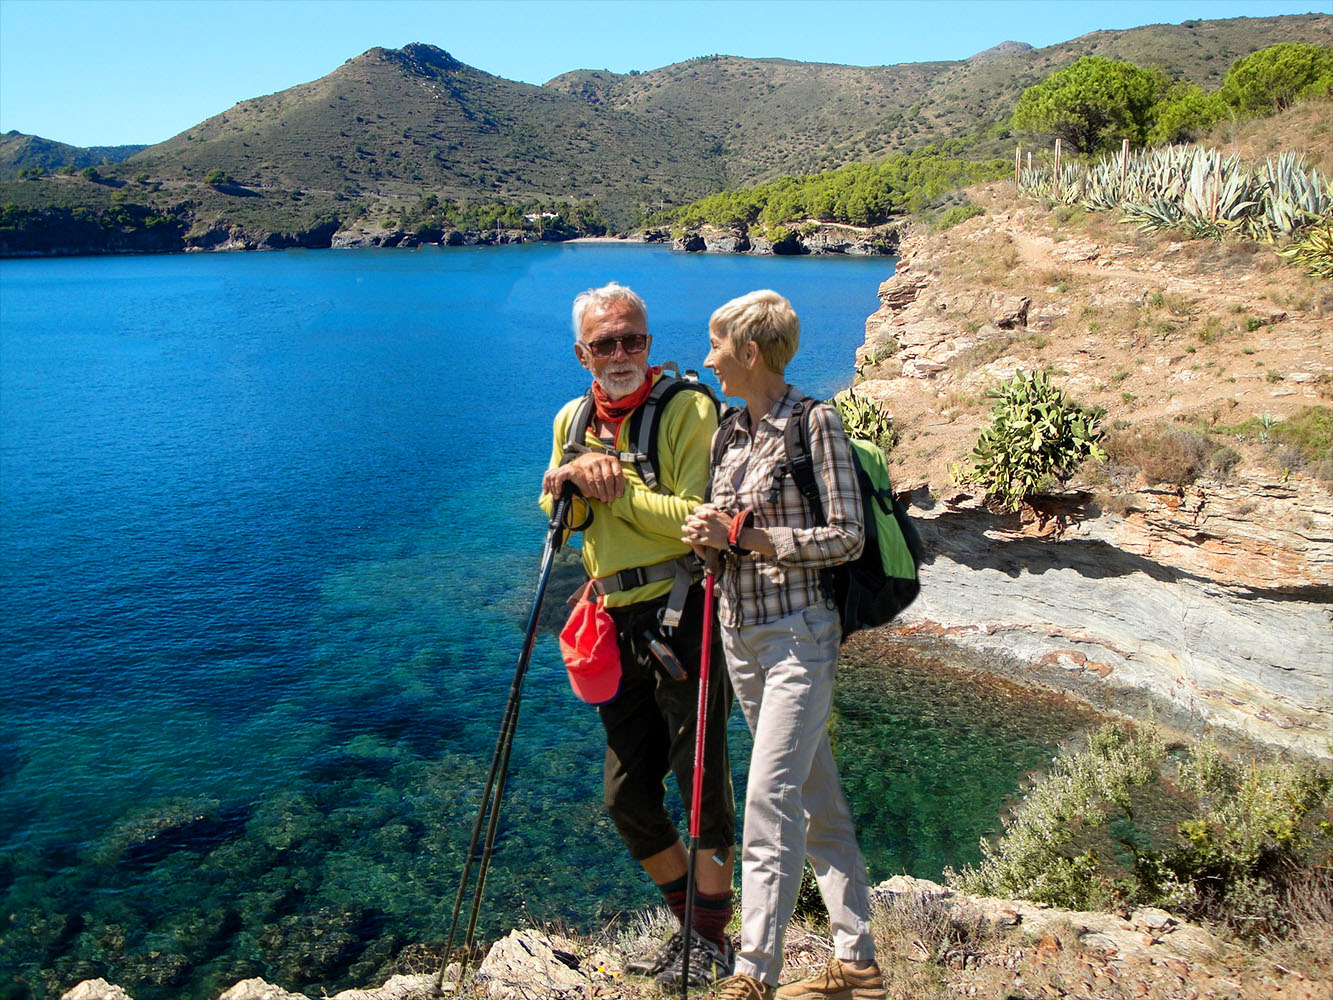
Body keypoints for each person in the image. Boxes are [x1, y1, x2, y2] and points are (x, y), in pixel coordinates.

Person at [682, 290, 885, 1000]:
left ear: (749, 352)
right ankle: (857, 962)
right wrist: (709, 542)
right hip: (740, 637)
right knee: (813, 794)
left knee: (768, 799)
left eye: (716, 348)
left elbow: (846, 535)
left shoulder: (815, 423)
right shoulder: (729, 434)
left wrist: (745, 535)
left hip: (800, 637)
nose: (707, 360)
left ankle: (752, 974)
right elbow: (730, 542)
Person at [540, 281, 737, 987]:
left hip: (686, 615)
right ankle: (696, 924)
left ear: (648, 343)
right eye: (605, 344)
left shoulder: (688, 409)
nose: (620, 354)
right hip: (616, 621)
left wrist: (606, 483)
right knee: (626, 798)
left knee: (699, 785)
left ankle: (708, 941)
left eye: (633, 340)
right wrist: (570, 480)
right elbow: (556, 516)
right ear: (581, 352)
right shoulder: (571, 418)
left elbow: (692, 516)